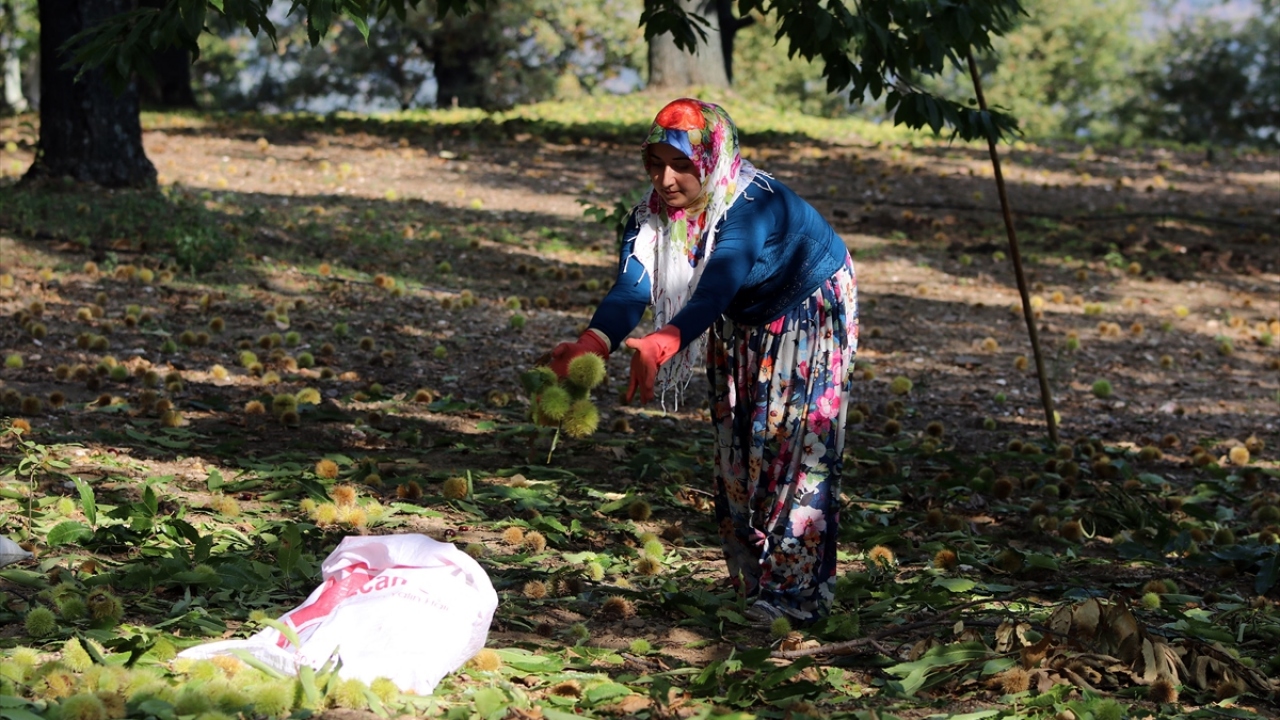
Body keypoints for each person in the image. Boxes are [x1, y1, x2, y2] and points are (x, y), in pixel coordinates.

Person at [548, 98, 858, 623]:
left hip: (809, 305)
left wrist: (666, 339)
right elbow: (631, 288)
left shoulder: (750, 206)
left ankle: (793, 597)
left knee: (789, 446)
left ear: (713, 162)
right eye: (655, 164)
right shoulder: (650, 220)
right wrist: (591, 345)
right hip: (740, 316)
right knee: (739, 446)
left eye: (682, 166)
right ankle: (755, 579)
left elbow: (715, 285)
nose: (665, 180)